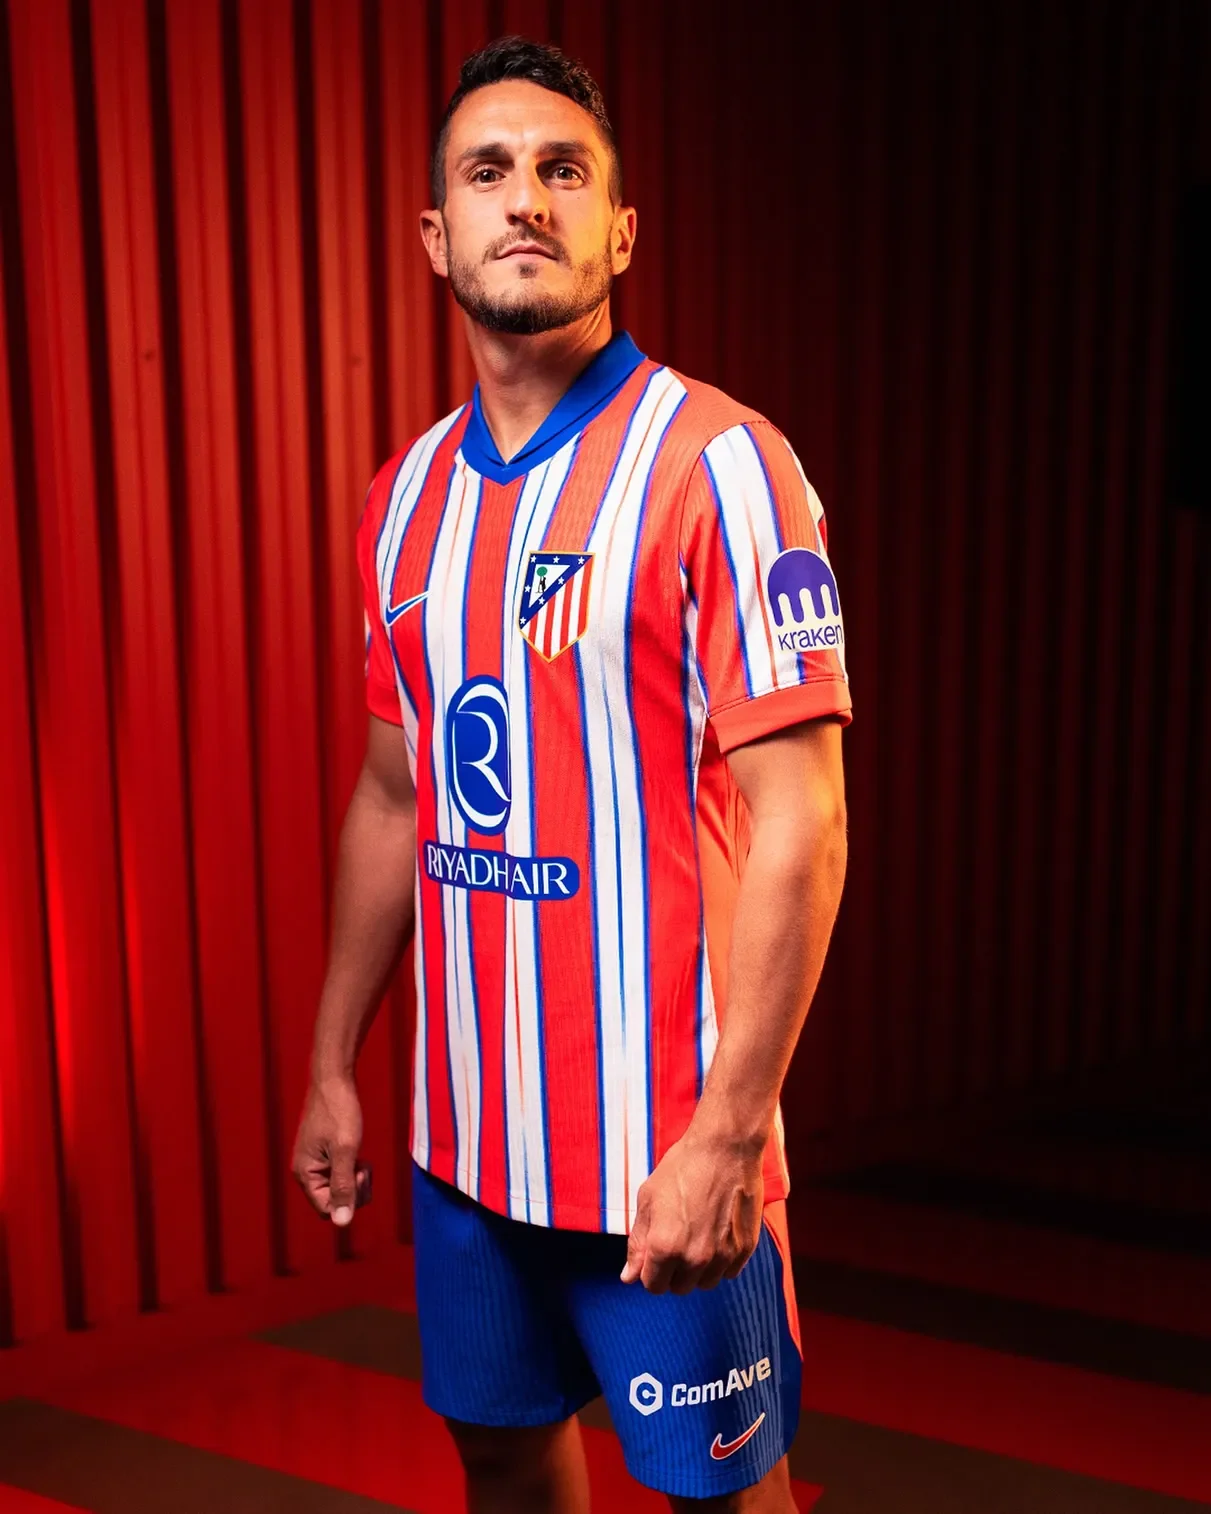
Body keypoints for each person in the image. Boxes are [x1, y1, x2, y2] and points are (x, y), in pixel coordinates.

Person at [292, 35, 849, 1514]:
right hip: (468, 1147)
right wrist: (332, 1060)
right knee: (501, 1462)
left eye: (562, 171)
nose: (523, 199)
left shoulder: (723, 463)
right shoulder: (400, 502)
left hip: (666, 1141)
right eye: (487, 172)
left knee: (722, 1497)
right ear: (435, 236)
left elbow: (805, 816)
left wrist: (729, 1133)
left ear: (619, 228)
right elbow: (394, 794)